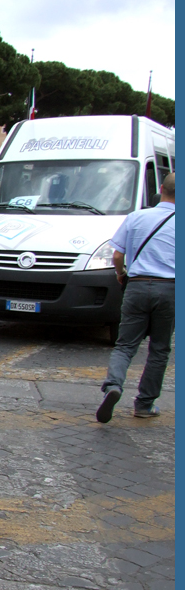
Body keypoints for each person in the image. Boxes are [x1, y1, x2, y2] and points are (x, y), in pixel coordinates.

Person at [97, 173, 175, 423]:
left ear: (160, 189)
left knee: (125, 345)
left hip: (138, 286)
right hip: (170, 289)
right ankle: (144, 403)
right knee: (159, 349)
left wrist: (121, 275)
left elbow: (117, 255)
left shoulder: (137, 216)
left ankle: (113, 387)